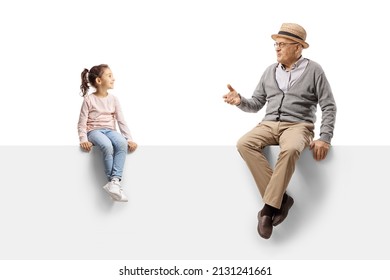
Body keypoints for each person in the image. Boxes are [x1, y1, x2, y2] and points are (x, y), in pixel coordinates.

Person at [223, 23, 337, 239]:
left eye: (282, 44)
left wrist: (325, 137)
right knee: (244, 143)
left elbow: (328, 105)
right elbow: (256, 103)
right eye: (276, 44)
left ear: (298, 47)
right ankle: (282, 200)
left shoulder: (314, 70)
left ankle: (267, 210)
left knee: (292, 147)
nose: (277, 48)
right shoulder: (269, 71)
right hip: (268, 124)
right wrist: (240, 101)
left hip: (298, 125)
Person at [78, 64, 137, 202]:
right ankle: (113, 183)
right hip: (94, 131)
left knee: (121, 143)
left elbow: (121, 121)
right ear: (99, 81)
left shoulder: (114, 99)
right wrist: (83, 139)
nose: (113, 79)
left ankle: (115, 182)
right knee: (107, 145)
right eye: (109, 76)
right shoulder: (89, 100)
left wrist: (129, 139)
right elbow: (81, 123)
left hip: (110, 130)